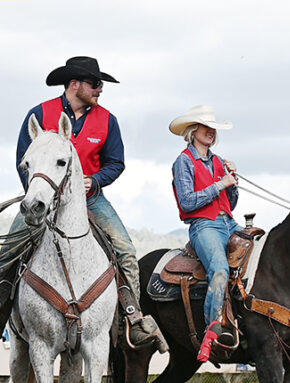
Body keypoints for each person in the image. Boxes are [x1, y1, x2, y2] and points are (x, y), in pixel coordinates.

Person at [1, 56, 167, 352]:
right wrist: (41, 199)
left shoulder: (107, 120)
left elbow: (116, 163)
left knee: (126, 250)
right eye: (95, 84)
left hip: (92, 198)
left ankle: (133, 319)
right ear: (75, 84)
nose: (100, 89)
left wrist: (97, 180)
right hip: (42, 201)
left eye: (100, 84)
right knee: (7, 251)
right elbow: (23, 162)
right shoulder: (39, 114)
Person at [170, 105, 241, 362]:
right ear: (193, 130)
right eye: (206, 127)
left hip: (228, 222)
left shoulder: (219, 161)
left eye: (213, 129)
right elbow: (187, 202)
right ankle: (213, 328)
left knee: (261, 253)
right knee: (220, 269)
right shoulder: (183, 161)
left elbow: (230, 203)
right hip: (203, 225)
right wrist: (220, 183)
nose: (211, 132)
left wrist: (233, 181)